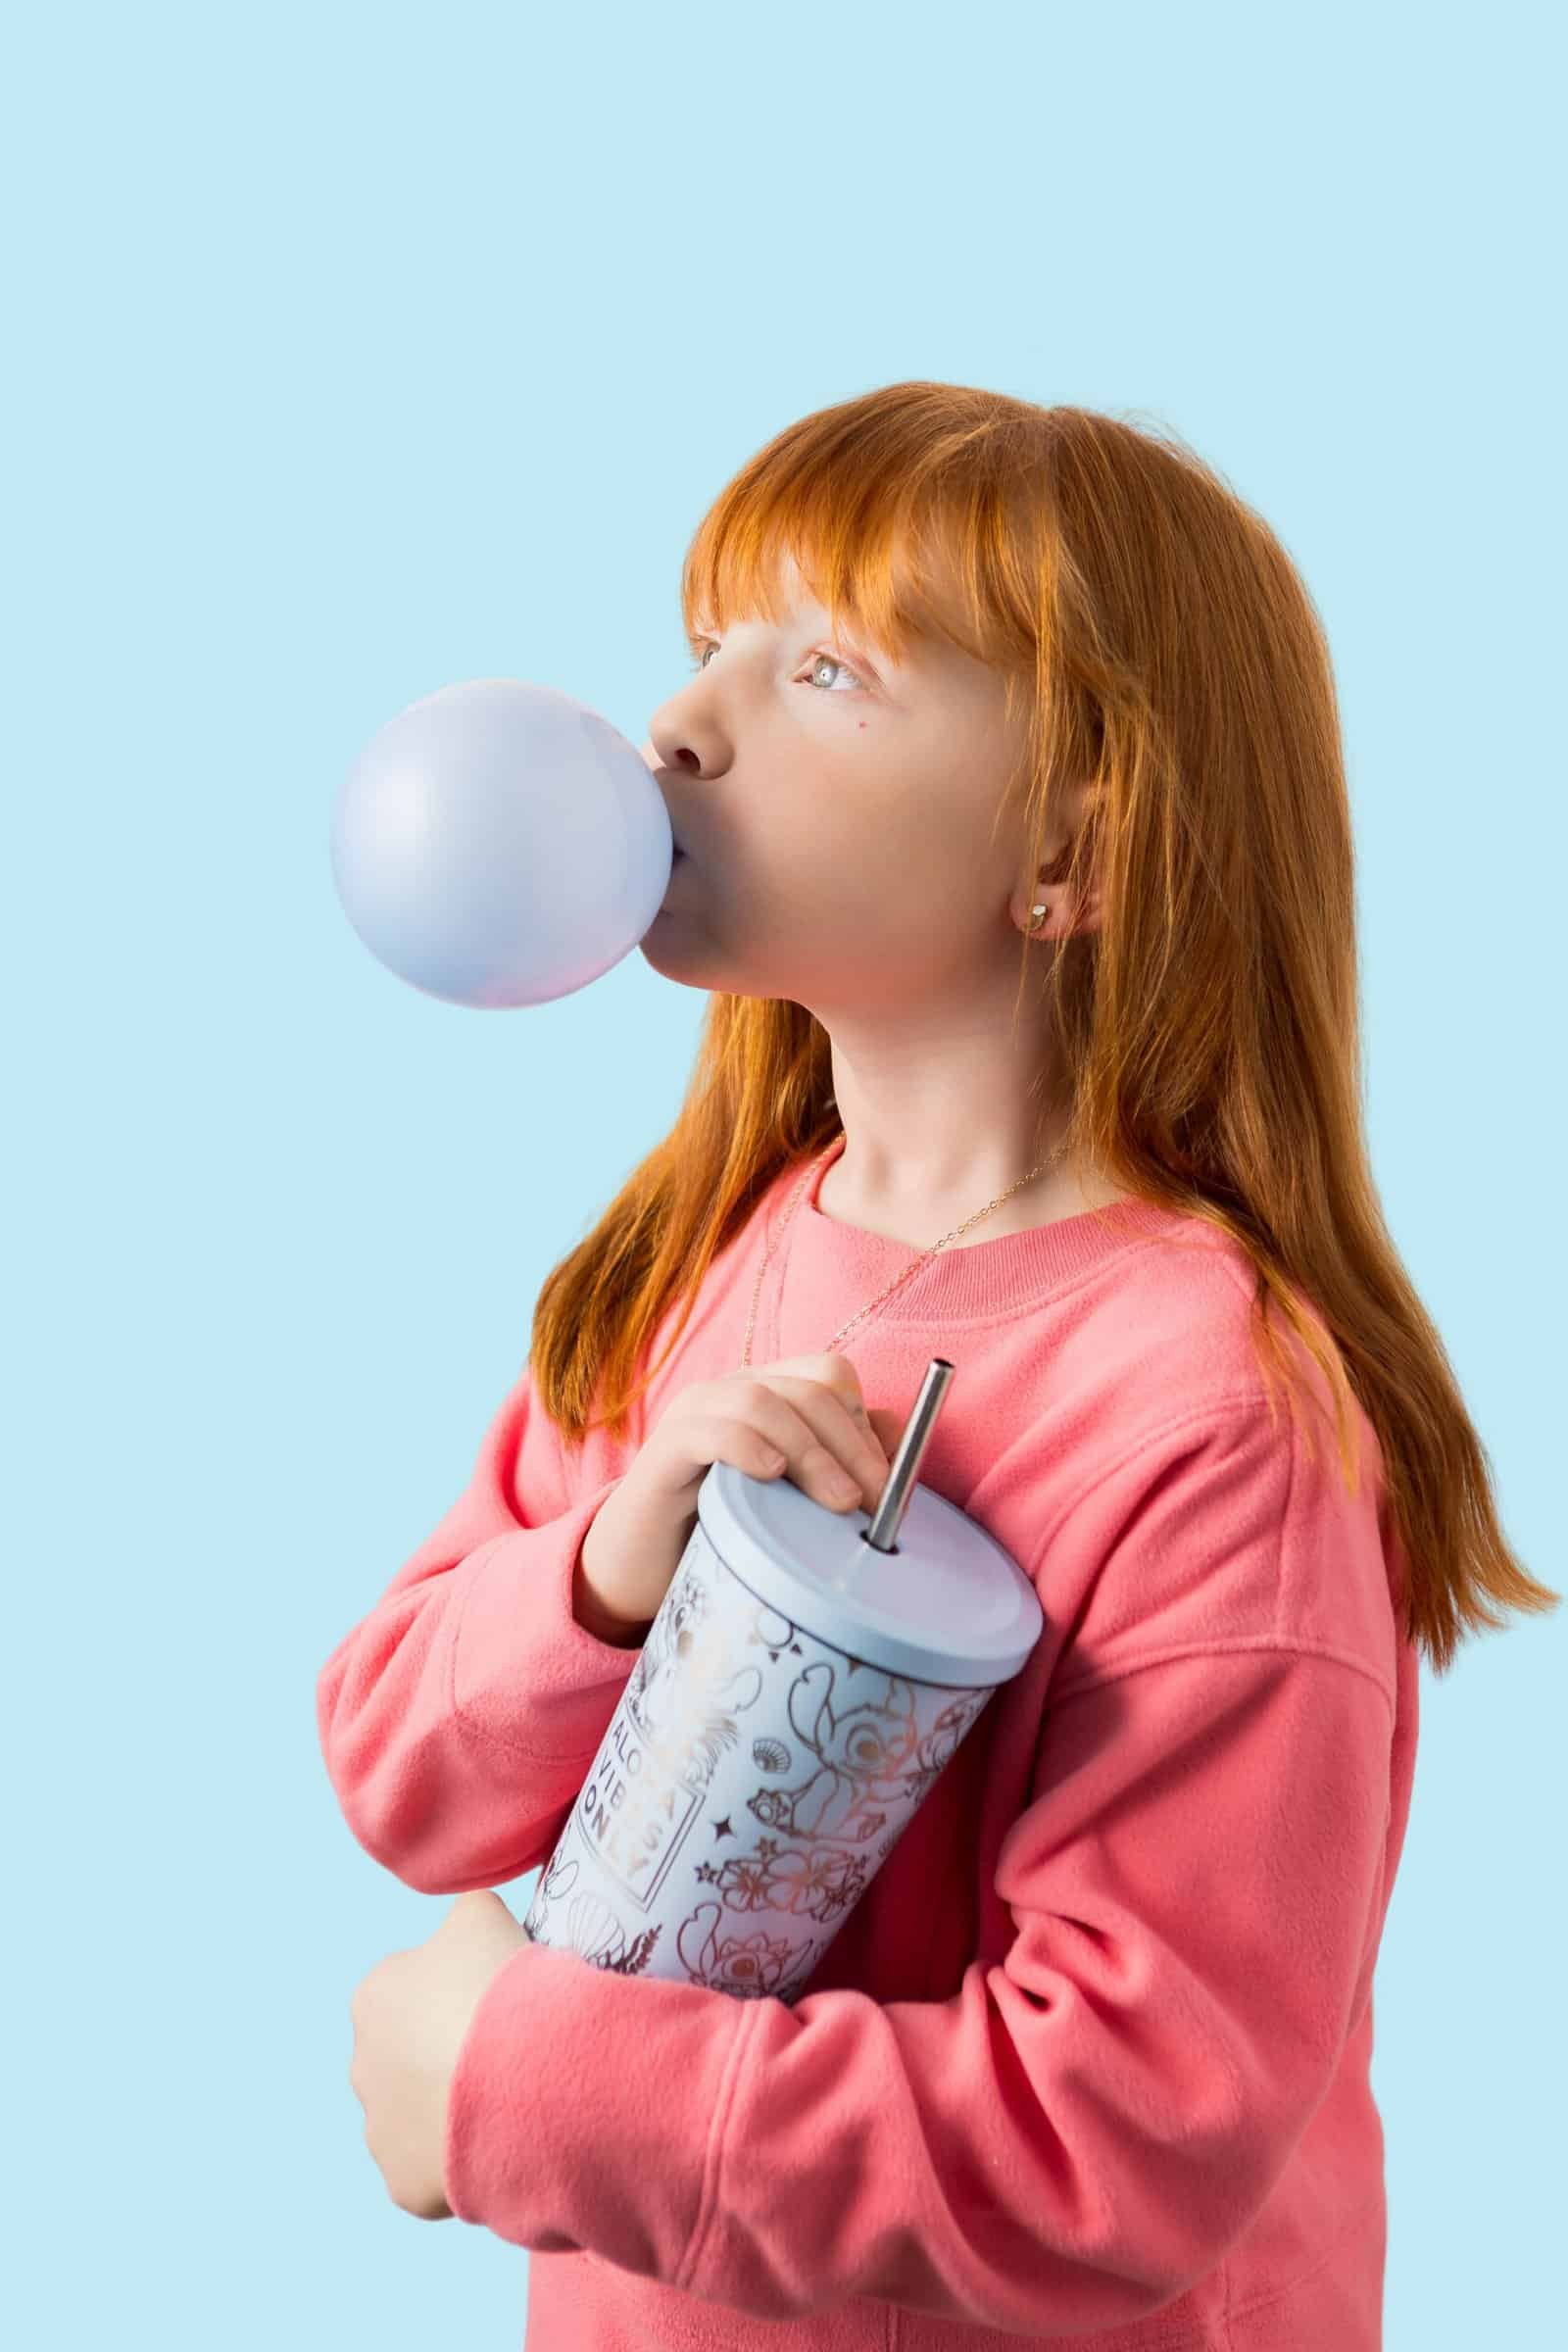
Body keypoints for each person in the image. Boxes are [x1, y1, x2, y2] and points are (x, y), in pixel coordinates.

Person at [317, 382, 1555, 2350]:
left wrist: (517, 2089)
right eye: (699, 641)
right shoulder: (693, 1264)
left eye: (824, 668)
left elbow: (1116, 2139)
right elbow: (396, 1769)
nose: (676, 729)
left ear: (1068, 839)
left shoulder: (1213, 1413)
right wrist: (602, 1580)